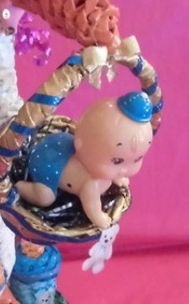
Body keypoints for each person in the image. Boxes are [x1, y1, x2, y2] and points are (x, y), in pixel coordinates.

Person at [16, 91, 153, 229]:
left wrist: (117, 177)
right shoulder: (91, 184)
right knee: (45, 198)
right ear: (82, 146)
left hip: (60, 145)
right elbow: (92, 205)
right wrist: (98, 216)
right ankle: (19, 186)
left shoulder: (105, 168)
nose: (124, 169)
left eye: (137, 159)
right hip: (46, 166)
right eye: (117, 161)